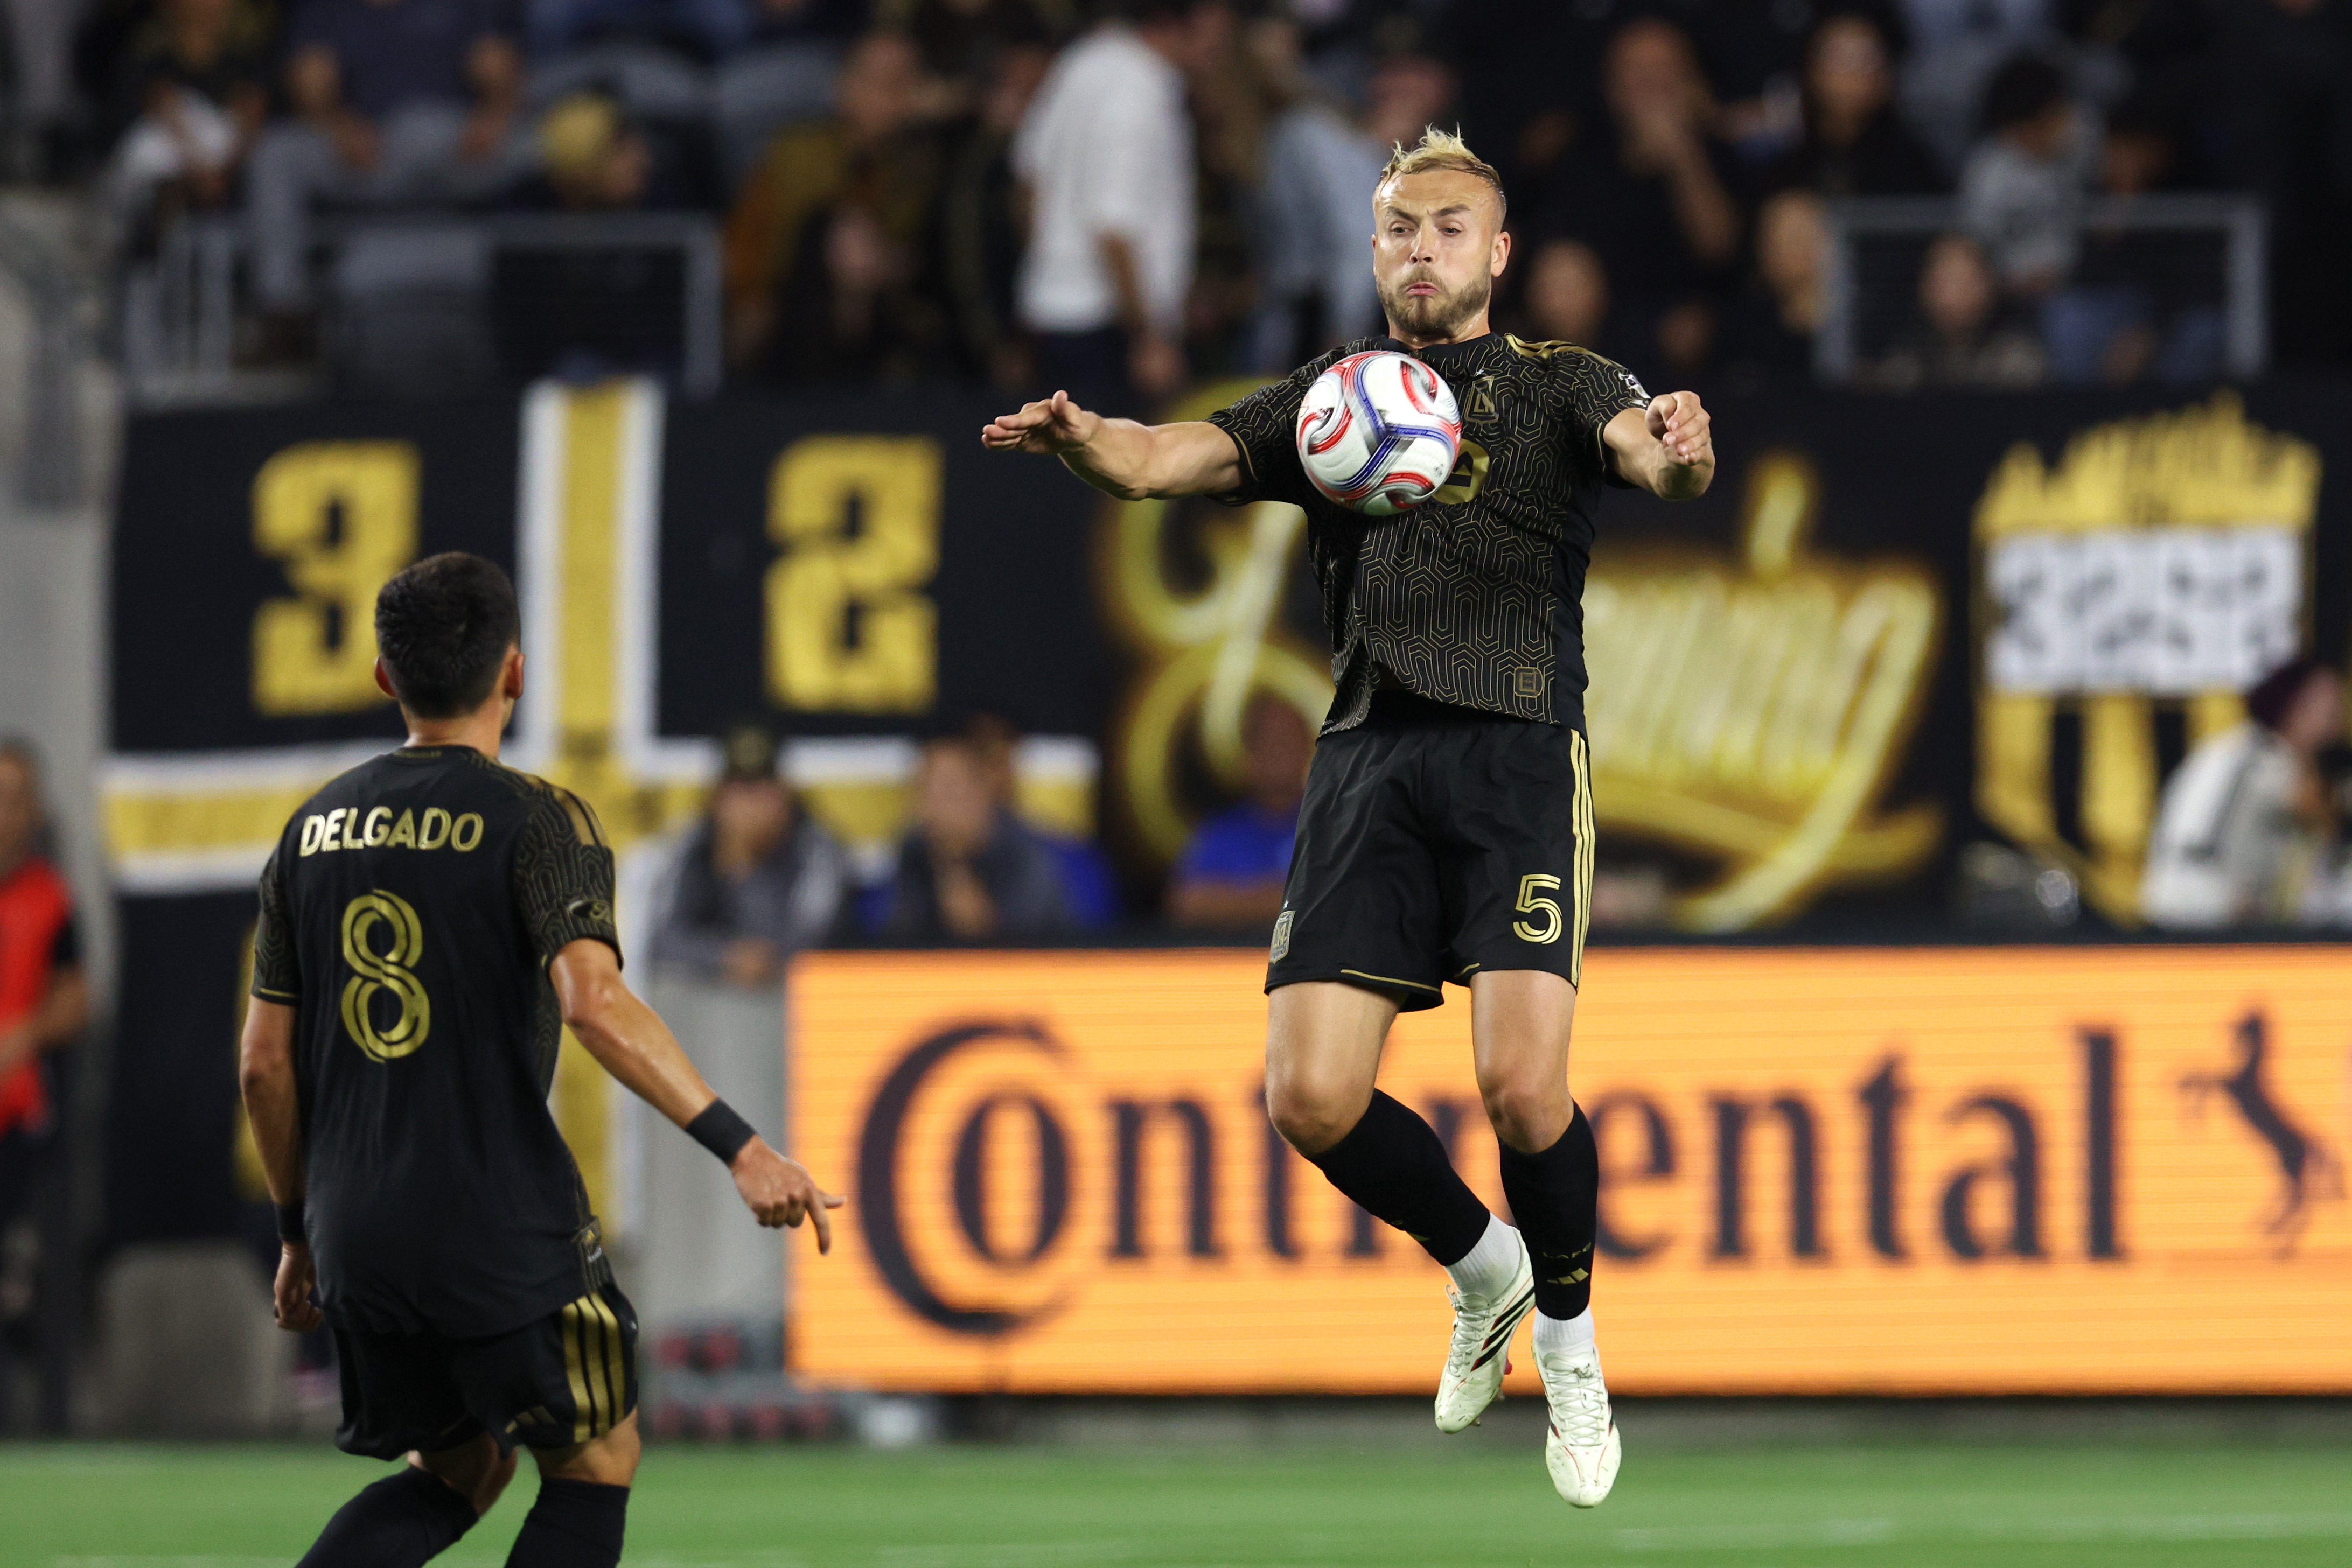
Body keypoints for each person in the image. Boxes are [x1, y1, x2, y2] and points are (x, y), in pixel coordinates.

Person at [983, 126, 1716, 1509]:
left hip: (1513, 749)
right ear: (1373, 248)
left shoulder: (1561, 384)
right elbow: (1164, 458)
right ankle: (1484, 1268)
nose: (1420, 249)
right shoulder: (1331, 400)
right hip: (1369, 754)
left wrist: (1680, 445)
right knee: (1308, 1097)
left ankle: (1568, 1346)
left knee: (1520, 1088)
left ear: (1496, 252)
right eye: (1397, 229)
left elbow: (1653, 456)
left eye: (1448, 228)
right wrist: (1084, 442)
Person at [239, 553, 841, 1568]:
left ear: (385, 677)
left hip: (355, 1229)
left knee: (460, 1466)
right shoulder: (537, 819)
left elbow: (263, 1065)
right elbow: (594, 1004)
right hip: (496, 1223)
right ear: (513, 671)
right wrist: (742, 1148)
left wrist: (297, 1234)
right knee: (597, 1457)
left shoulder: (309, 833)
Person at [243, 0, 533, 340]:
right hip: (368, 155)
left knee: (540, 142)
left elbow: (497, 65)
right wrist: (340, 126)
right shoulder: (327, 9)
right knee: (276, 152)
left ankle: (542, 314)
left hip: (453, 147)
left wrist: (493, 117)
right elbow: (310, 77)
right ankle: (284, 312)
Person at [1010, 0, 1213, 410]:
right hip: (1108, 333)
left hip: (1052, 317)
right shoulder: (1141, 89)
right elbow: (1113, 227)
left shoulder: (1084, 60)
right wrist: (1147, 338)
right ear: (1176, 21)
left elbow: (1028, 181)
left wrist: (1050, 263)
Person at [2142, 656, 2347, 929]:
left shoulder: (2236, 746)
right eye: (2328, 709)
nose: (2336, 723)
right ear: (2295, 706)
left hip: (2191, 903)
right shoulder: (2257, 755)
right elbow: (2313, 809)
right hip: (2199, 908)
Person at [646, 723, 852, 988]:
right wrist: (723, 956)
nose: (750, 806)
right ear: (718, 797)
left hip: (796, 1001)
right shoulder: (693, 842)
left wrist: (745, 869)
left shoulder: (817, 847)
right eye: (739, 790)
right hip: (708, 1001)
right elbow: (661, 937)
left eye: (762, 790)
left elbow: (811, 942)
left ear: (784, 793)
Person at [0, 741, 89, 1255]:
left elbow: (76, 999)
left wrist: (22, 1038)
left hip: (23, 1112)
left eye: (16, 800)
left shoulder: (49, 897)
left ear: (35, 812)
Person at [868, 732, 1072, 942]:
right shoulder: (912, 849)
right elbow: (893, 938)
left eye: (949, 790)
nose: (934, 804)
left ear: (983, 790)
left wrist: (956, 870)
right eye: (925, 789)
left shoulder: (1028, 854)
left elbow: (1017, 943)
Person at [1168, 694, 1312, 933]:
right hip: (1236, 955)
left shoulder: (1331, 828)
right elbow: (1188, 904)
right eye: (1268, 742)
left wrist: (1239, 899)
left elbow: (1349, 899)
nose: (1279, 754)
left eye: (1289, 741)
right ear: (1248, 755)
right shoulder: (1220, 834)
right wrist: (1290, 898)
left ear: (1309, 750)